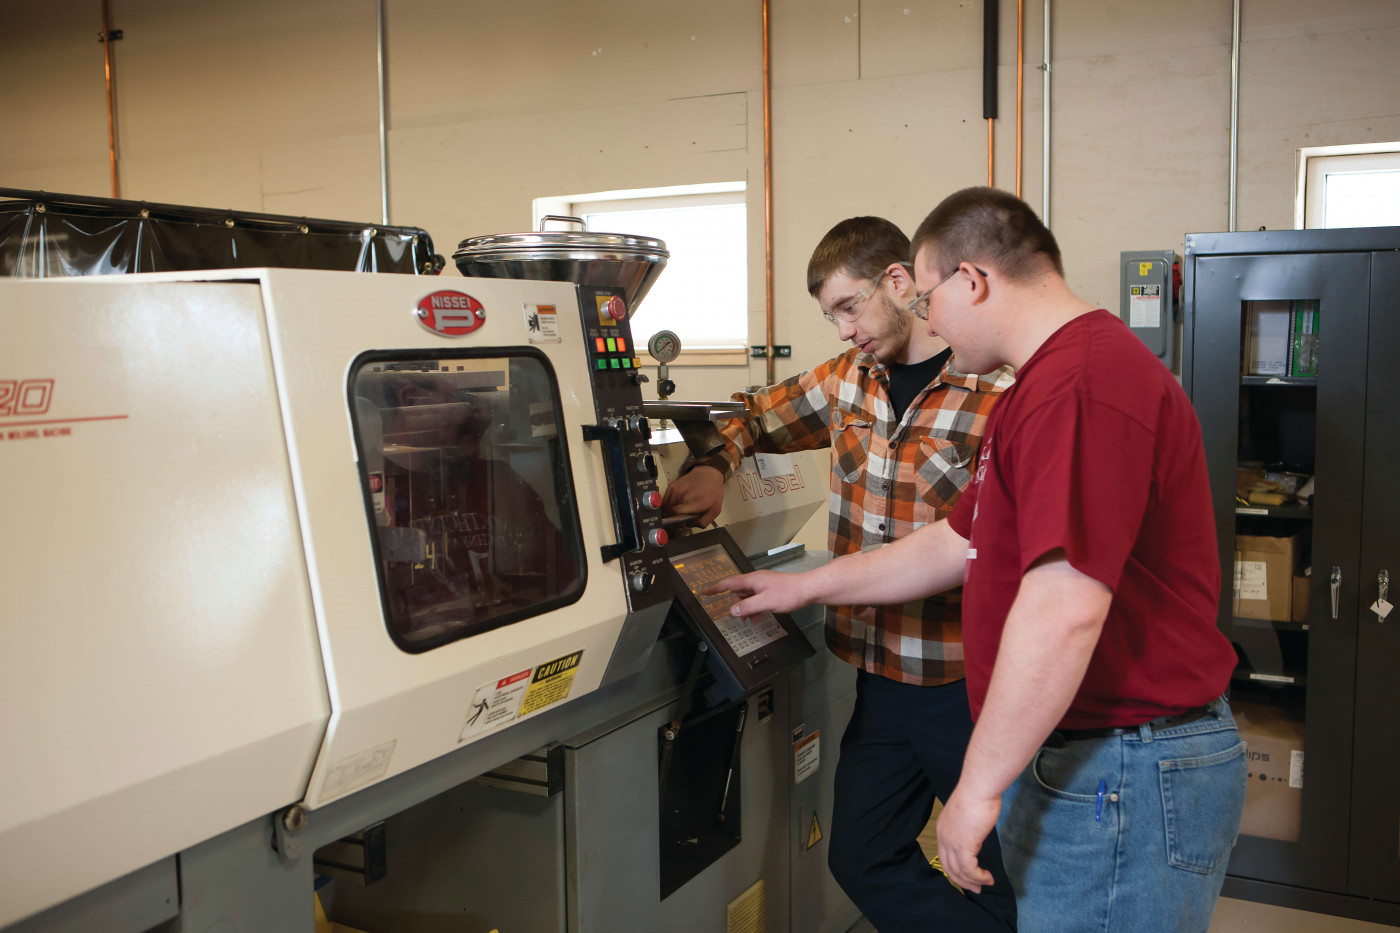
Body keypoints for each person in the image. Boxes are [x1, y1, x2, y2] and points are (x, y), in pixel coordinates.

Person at [710, 188, 1245, 933]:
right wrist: (803, 586)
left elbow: (1064, 606)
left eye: (929, 297)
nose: (928, 319)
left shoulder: (1078, 386)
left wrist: (976, 788)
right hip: (1095, 750)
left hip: (1126, 758)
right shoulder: (1050, 384)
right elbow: (957, 542)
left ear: (974, 280)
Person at [662, 216, 1017, 932]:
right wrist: (711, 467)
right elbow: (751, 417)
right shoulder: (846, 382)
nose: (842, 329)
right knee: (861, 855)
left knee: (999, 869)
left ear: (896, 281)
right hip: (880, 674)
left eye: (849, 307)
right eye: (831, 316)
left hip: (968, 681)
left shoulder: (994, 390)